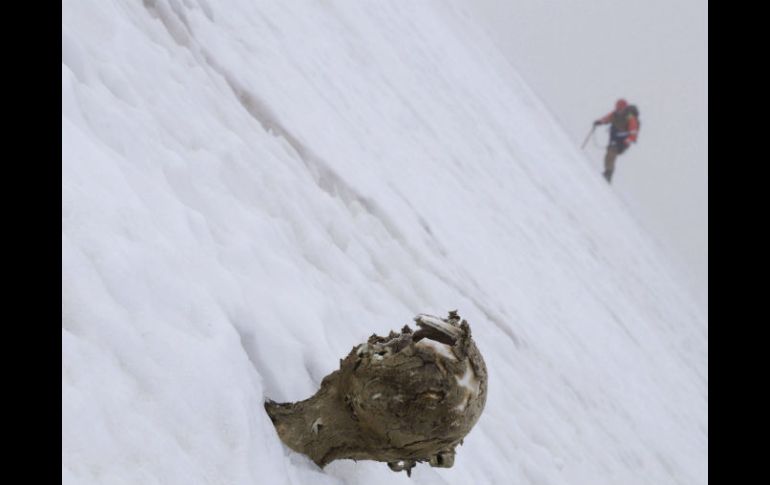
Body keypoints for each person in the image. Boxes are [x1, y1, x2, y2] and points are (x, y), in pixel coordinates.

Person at [593, 99, 639, 183]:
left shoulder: (630, 117)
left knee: (611, 154)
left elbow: (633, 132)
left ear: (624, 108)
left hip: (622, 141)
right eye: (617, 107)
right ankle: (608, 172)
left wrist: (627, 141)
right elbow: (607, 118)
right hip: (614, 138)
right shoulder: (615, 114)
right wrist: (599, 122)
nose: (618, 109)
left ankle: (608, 174)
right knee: (609, 154)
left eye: (620, 108)